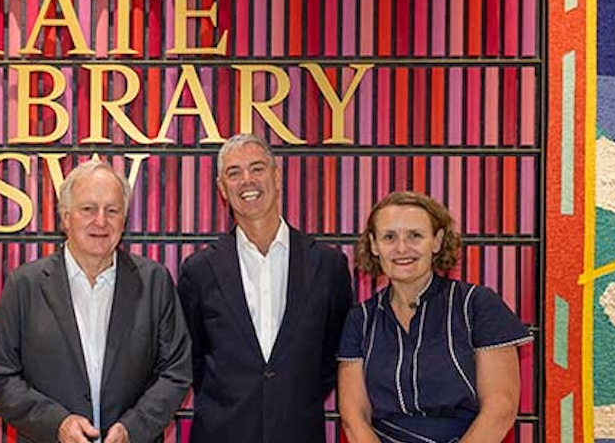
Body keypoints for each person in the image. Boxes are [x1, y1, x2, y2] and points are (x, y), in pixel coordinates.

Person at [0, 159, 192, 443]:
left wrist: (133, 428)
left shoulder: (155, 282)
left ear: (124, 220)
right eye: (88, 209)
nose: (101, 221)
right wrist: (57, 424)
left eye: (113, 210)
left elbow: (175, 371)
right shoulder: (25, 285)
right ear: (66, 216)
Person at [177, 133, 355, 443]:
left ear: (277, 175)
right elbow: (193, 360)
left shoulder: (328, 266)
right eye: (234, 173)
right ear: (222, 188)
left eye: (257, 168)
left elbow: (332, 358)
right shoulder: (198, 271)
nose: (247, 180)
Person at [337, 191, 532, 443]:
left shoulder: (478, 305)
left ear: (437, 241)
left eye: (415, 236)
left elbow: (500, 409)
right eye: (389, 237)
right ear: (374, 245)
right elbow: (354, 417)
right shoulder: (360, 319)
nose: (401, 248)